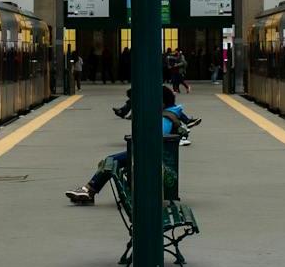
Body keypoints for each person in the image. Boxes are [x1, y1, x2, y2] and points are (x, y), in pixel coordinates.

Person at [67, 86, 200, 204]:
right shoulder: (172, 113)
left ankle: (89, 191)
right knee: (112, 161)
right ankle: (89, 190)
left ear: (162, 102)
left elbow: (156, 137)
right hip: (153, 153)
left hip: (147, 154)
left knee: (111, 160)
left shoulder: (166, 118)